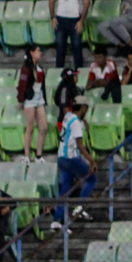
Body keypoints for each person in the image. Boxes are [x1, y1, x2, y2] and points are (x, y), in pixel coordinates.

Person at [50, 97, 96, 230]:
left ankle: (57, 220)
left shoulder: (68, 116)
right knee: (91, 179)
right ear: (83, 108)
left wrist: (83, 120)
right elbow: (81, 146)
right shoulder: (76, 123)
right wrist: (92, 161)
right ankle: (80, 207)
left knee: (65, 189)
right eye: (86, 108)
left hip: (61, 158)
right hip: (71, 158)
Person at [48, 0, 91, 71]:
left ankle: (79, 73)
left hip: (75, 20)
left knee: (77, 47)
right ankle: (58, 73)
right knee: (60, 47)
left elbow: (87, 2)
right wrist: (53, 17)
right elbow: (52, 0)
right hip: (60, 20)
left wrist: (81, 21)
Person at [17, 46, 48, 163]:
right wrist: (21, 100)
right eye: (38, 51)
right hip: (30, 99)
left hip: (39, 98)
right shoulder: (26, 69)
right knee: (30, 127)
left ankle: (39, 155)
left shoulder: (39, 68)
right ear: (32, 53)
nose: (40, 53)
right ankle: (26, 155)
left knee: (43, 127)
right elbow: (22, 84)